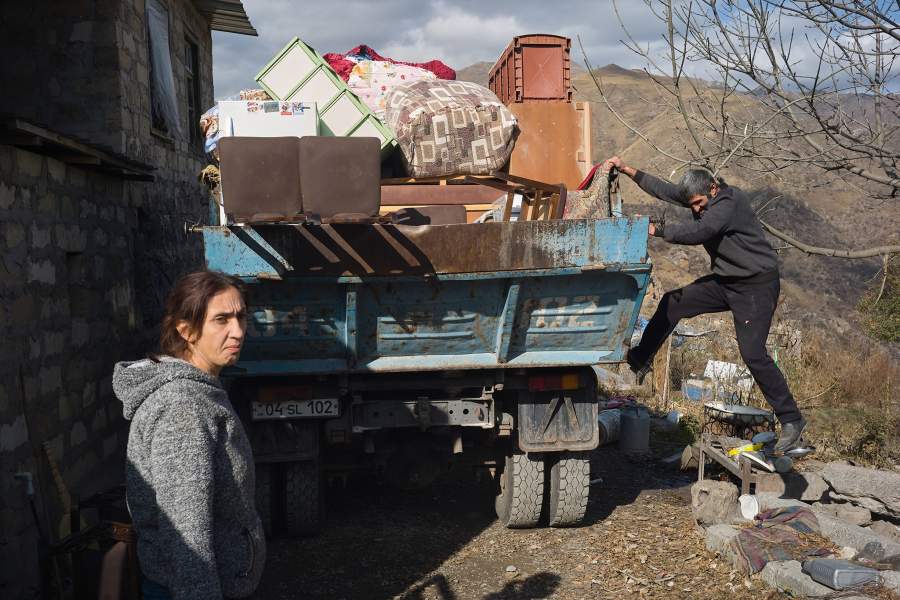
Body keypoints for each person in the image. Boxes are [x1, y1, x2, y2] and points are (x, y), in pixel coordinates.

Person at [602, 156, 806, 453]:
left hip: (755, 287)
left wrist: (655, 231)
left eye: (698, 203)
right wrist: (628, 169)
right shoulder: (702, 197)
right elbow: (664, 190)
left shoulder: (728, 203)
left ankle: (792, 420)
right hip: (727, 282)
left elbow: (700, 232)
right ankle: (639, 360)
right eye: (692, 205)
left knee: (753, 354)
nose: (695, 209)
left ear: (712, 188)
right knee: (674, 302)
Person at [113, 270, 265, 600]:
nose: (237, 331)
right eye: (221, 319)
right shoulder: (184, 408)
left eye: (241, 317)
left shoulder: (201, 392)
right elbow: (186, 533)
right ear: (187, 331)